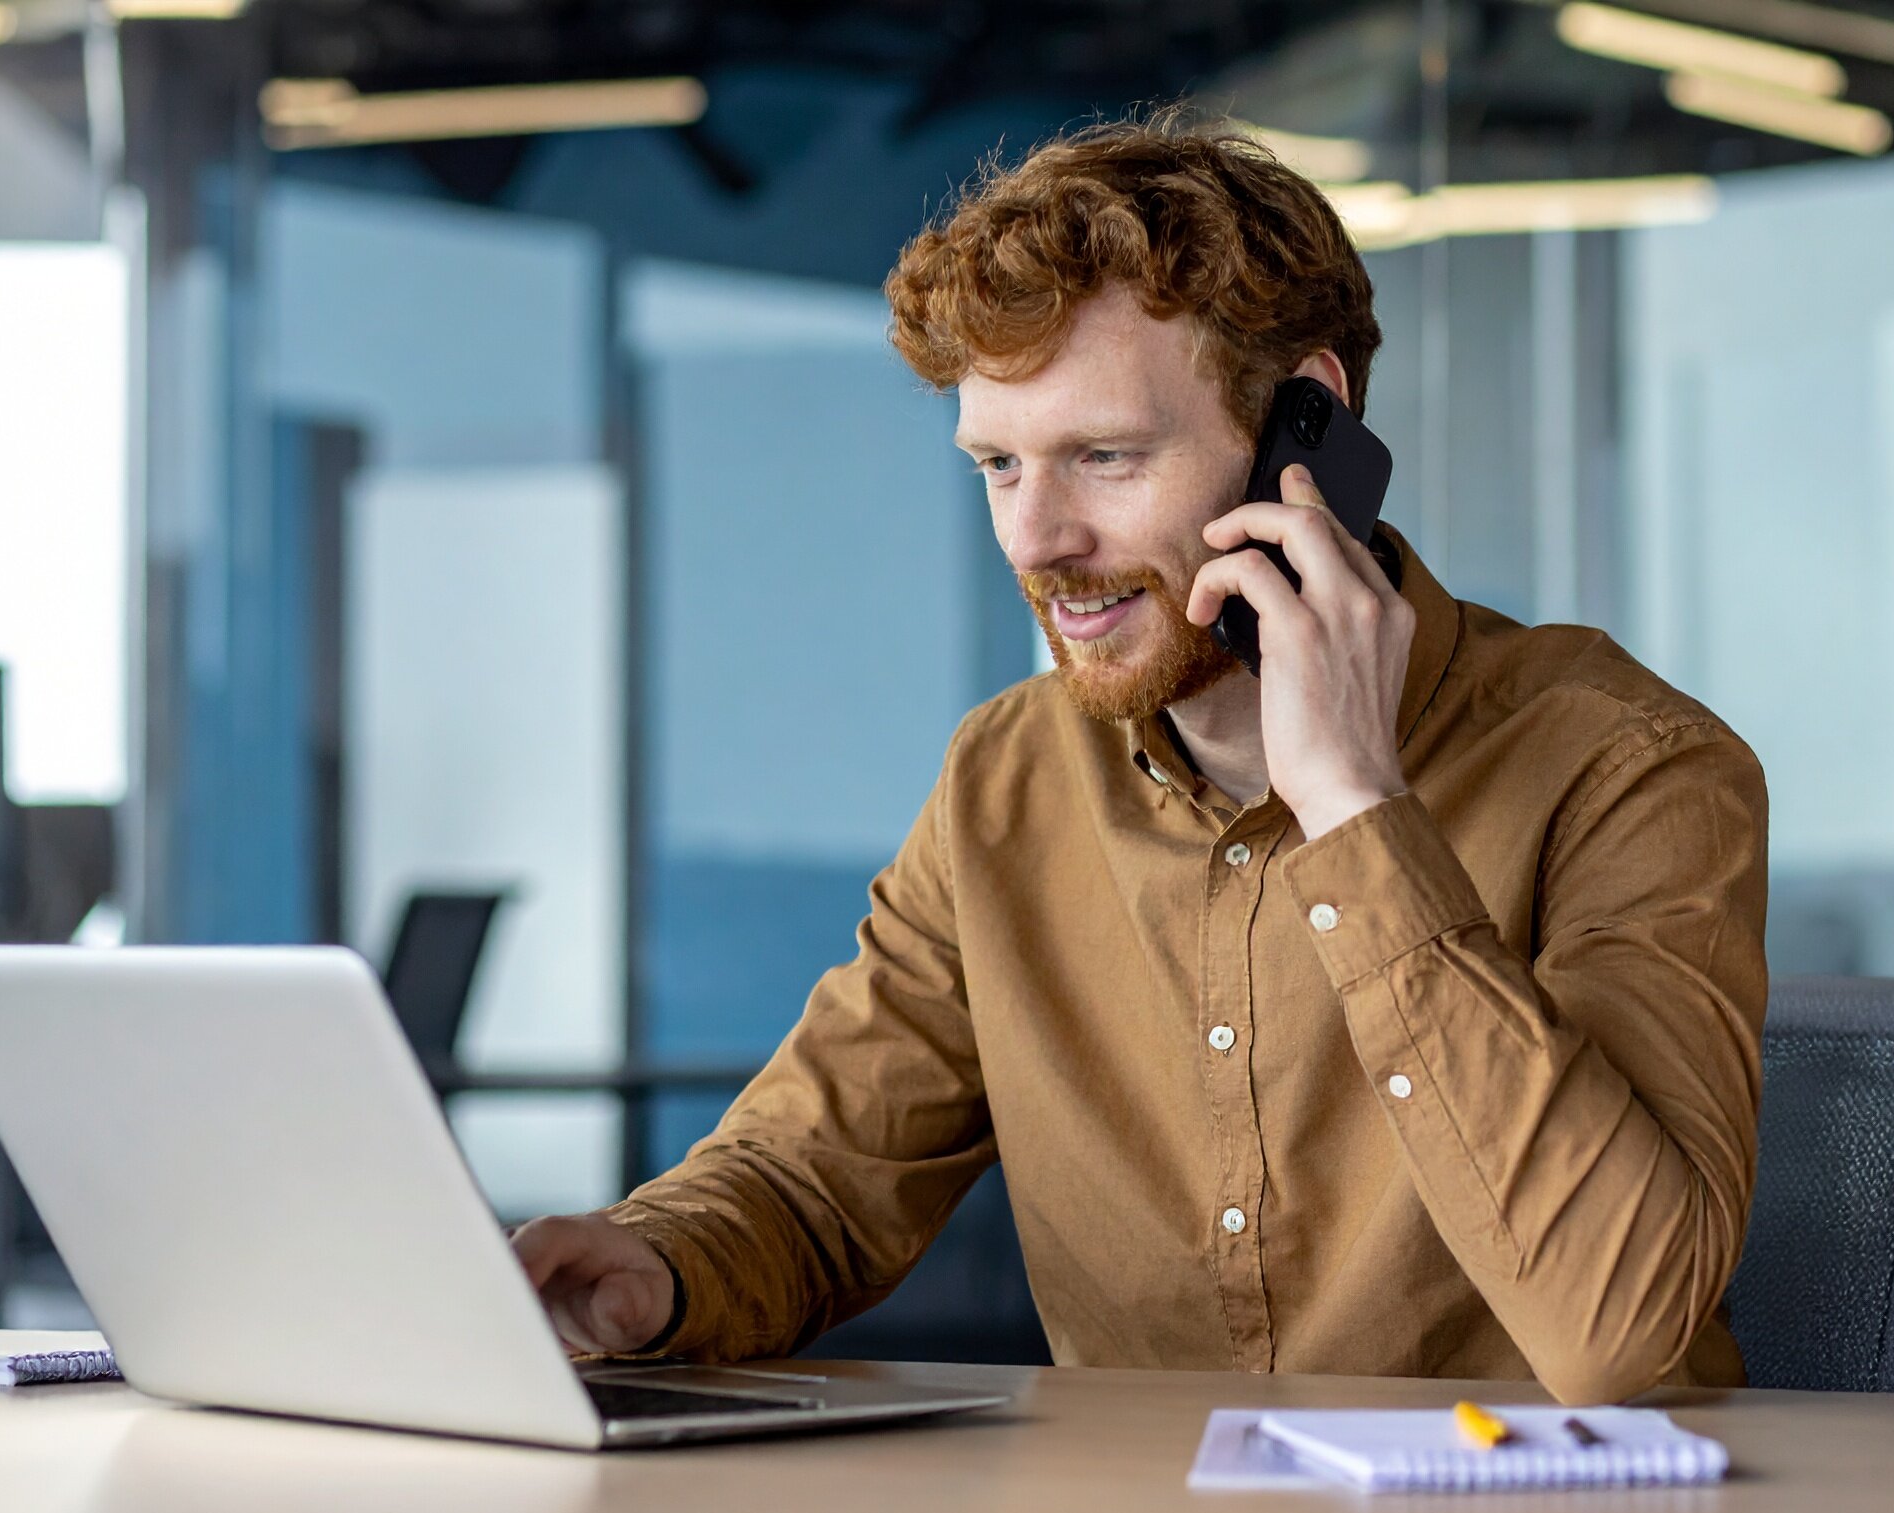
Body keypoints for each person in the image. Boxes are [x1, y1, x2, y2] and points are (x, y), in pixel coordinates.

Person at [511, 111, 1768, 1404]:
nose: (1037, 540)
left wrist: (1352, 806)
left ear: (1305, 433)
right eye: (999, 465)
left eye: (1104, 458)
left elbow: (1627, 1338)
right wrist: (647, 1268)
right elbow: (811, 1178)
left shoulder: (1627, 765)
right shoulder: (1008, 780)